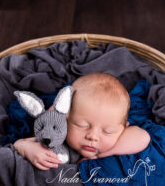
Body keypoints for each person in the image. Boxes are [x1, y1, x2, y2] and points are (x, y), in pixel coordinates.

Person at [14, 73, 151, 170]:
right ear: (65, 117)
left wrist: (100, 155)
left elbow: (143, 137)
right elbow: (19, 144)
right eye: (82, 125)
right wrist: (28, 149)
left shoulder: (120, 138)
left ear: (124, 128)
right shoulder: (55, 135)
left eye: (107, 131)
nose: (92, 136)